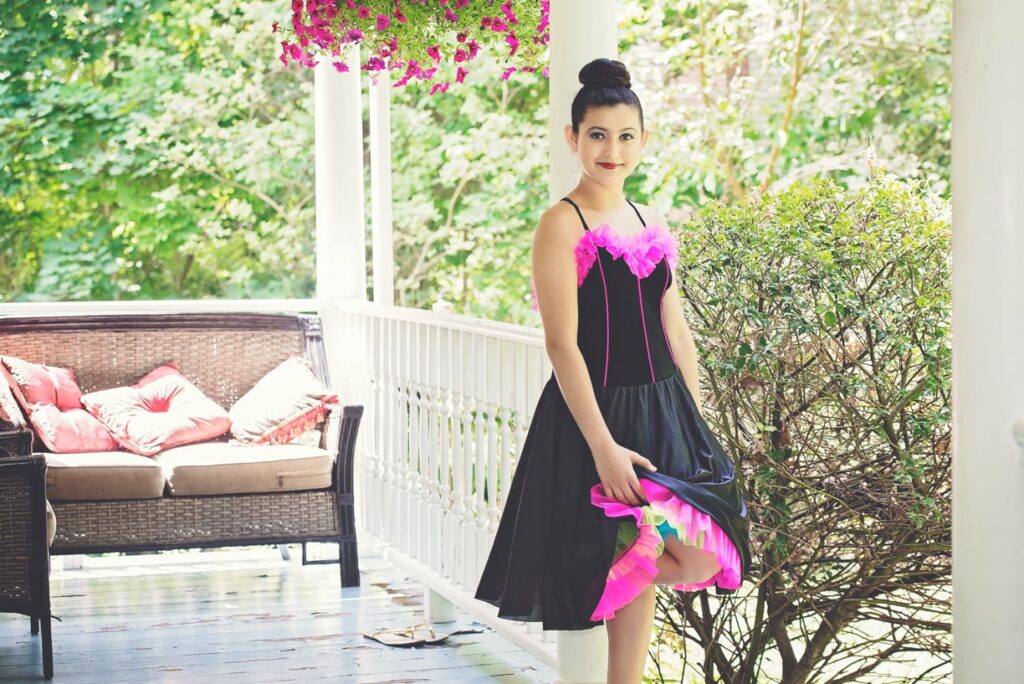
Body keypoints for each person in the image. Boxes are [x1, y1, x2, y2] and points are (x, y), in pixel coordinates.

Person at [473, 57, 751, 683]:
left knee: (697, 553)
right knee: (619, 547)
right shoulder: (560, 224)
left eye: (626, 136)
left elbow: (674, 328)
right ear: (573, 138)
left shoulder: (649, 217)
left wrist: (695, 423)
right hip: (596, 417)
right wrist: (604, 448)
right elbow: (561, 345)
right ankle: (583, 598)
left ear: (643, 142)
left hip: (665, 407)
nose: (612, 150)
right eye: (597, 134)